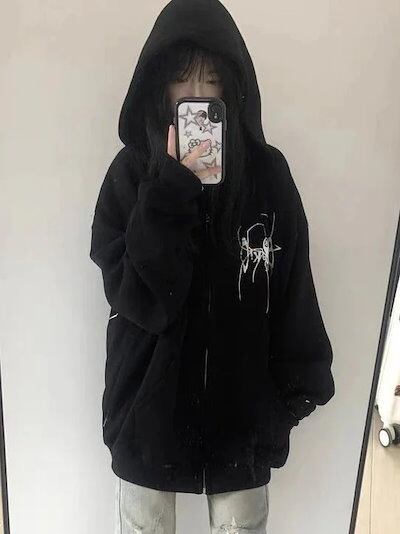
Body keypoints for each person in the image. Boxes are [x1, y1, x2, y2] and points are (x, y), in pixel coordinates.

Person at [89, 0, 335, 532]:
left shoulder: (267, 175)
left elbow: (293, 285)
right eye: (182, 78)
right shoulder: (130, 175)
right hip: (147, 418)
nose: (197, 94)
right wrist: (169, 191)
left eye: (212, 78)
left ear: (232, 85)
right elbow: (137, 298)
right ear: (159, 86)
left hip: (241, 421)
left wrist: (292, 394)